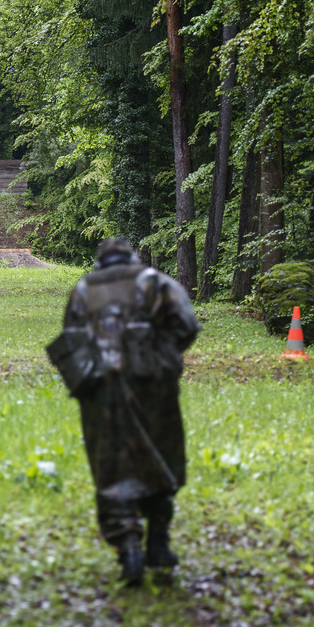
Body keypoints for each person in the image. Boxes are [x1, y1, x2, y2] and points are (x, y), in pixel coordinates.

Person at [47, 237, 201, 586]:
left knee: (111, 463)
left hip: (101, 389)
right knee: (160, 455)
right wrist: (162, 353)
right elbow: (187, 325)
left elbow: (72, 339)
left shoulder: (85, 289)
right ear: (131, 258)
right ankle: (158, 541)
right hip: (152, 386)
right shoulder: (153, 281)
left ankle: (128, 547)